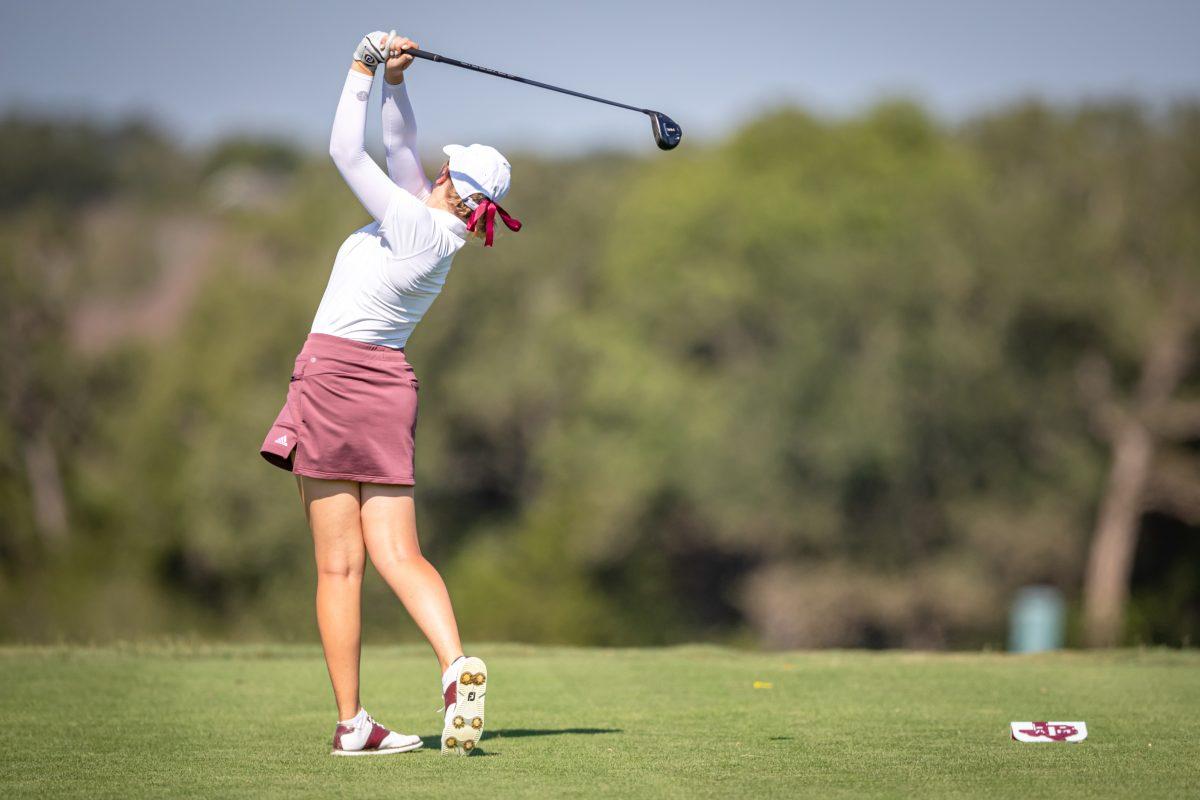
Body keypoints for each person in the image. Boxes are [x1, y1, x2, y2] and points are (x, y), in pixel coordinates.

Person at [259, 30, 520, 757]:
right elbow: (401, 147)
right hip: (388, 387)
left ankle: (353, 725)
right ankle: (453, 667)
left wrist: (360, 69)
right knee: (400, 555)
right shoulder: (438, 230)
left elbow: (348, 152)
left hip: (332, 381)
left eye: (441, 168)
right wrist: (397, 84)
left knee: (339, 567)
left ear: (448, 184)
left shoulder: (411, 223)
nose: (431, 167)